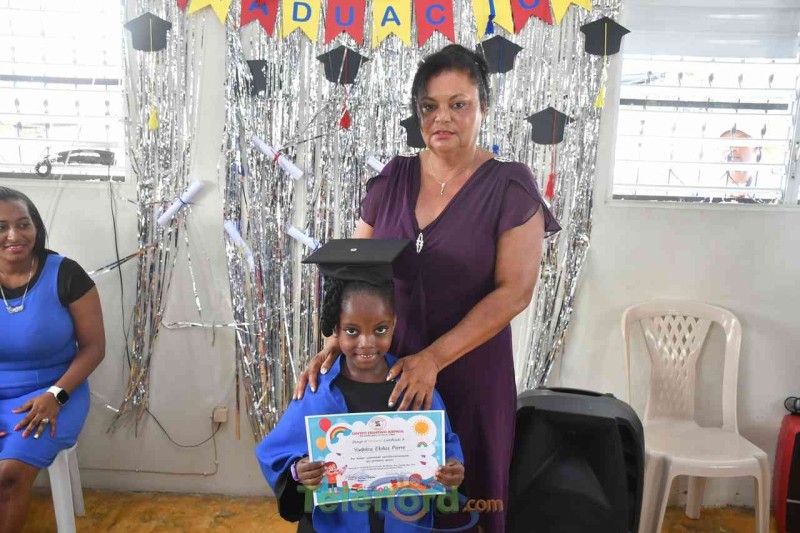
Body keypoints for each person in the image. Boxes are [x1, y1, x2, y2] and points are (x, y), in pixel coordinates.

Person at [295, 44, 561, 532]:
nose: (443, 117)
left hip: (469, 373)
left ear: (483, 107)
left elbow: (515, 291)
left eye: (459, 104)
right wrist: (334, 341)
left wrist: (433, 360)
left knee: (462, 501)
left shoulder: (510, 185)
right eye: (429, 106)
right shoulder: (391, 179)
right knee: (383, 500)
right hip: (388, 374)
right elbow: (356, 271)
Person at [257, 239, 465, 533]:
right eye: (352, 331)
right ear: (336, 330)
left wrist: (452, 469)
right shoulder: (318, 391)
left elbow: (444, 444)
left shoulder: (413, 387)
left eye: (380, 329)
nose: (366, 343)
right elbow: (276, 455)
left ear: (394, 324)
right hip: (336, 523)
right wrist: (298, 472)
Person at [0, 187, 105, 533]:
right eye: (1, 227)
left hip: (56, 392)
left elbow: (94, 348)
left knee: (9, 476)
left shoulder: (66, 274)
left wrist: (55, 396)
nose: (14, 235)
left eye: (23, 224)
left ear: (36, 227)